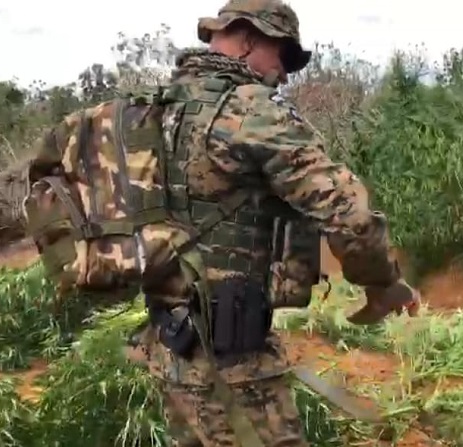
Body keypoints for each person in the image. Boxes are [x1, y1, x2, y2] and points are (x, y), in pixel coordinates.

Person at [135, 0, 421, 445]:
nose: (286, 73)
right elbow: (350, 215)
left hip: (168, 351)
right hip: (234, 366)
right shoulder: (252, 112)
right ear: (249, 38)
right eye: (284, 56)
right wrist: (384, 283)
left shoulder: (154, 111)